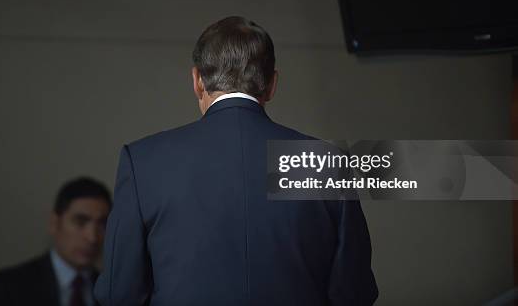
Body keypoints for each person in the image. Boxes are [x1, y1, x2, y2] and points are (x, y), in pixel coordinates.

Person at [94, 16, 378, 305]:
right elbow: (354, 293)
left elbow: (120, 294)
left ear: (197, 81)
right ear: (272, 85)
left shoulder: (143, 161)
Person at [0, 177, 112, 306]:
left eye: (102, 224)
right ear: (54, 223)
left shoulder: (113, 292)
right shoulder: (4, 287)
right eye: (80, 222)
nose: (92, 237)